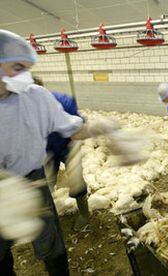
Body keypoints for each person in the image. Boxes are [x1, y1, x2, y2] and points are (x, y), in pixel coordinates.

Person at [0, 29, 122, 275]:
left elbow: (73, 129)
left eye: (26, 68)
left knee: (50, 241)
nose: (25, 75)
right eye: (17, 67)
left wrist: (100, 127)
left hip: (32, 177)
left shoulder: (35, 96)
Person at [33, 76, 89, 230]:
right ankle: (48, 218)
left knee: (76, 181)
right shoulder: (25, 109)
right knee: (45, 183)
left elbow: (79, 124)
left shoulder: (62, 101)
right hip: (47, 148)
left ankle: (84, 214)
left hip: (68, 144)